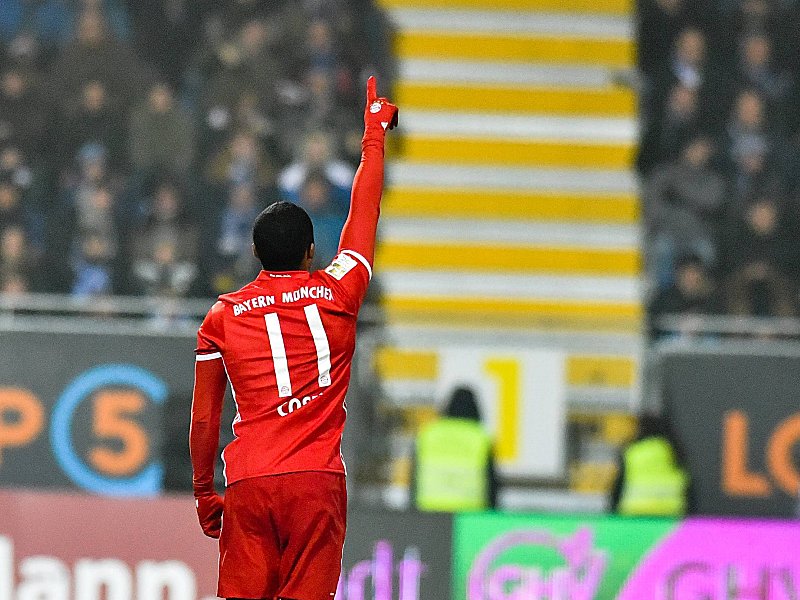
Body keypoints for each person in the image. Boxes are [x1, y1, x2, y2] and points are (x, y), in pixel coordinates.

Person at [189, 76, 397, 600]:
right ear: (311, 251)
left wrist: (203, 492)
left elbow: (204, 417)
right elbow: (363, 215)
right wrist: (374, 135)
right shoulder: (339, 291)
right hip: (316, 481)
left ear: (256, 256)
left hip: (250, 483)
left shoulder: (222, 316)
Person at [412, 386, 498, 512]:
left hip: (429, 509)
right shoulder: (480, 437)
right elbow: (491, 482)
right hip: (470, 512)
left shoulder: (428, 434)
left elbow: (414, 477)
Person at [610, 413, 690, 516]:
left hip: (635, 510)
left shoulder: (633, 451)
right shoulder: (672, 448)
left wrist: (613, 510)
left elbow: (620, 484)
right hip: (670, 510)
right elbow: (686, 479)